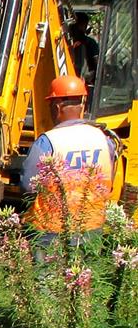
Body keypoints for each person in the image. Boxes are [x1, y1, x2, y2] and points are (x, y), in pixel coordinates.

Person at [20, 74, 115, 245]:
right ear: (83, 104)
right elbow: (110, 179)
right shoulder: (103, 139)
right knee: (85, 271)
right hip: (92, 226)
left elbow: (28, 187)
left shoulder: (47, 141)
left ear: (57, 106)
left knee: (48, 272)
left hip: (51, 229)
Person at [67, 12, 100, 88]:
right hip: (83, 84)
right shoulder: (90, 43)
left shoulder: (65, 43)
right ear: (84, 25)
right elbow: (97, 65)